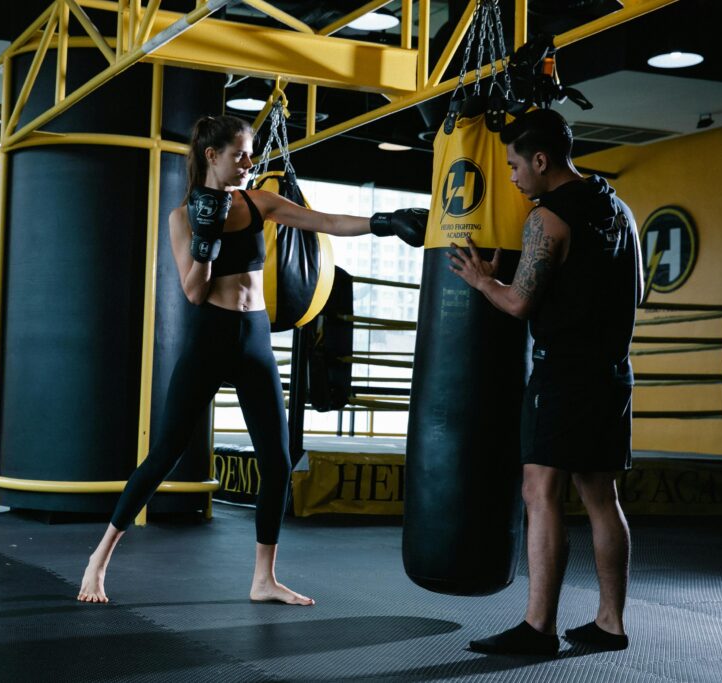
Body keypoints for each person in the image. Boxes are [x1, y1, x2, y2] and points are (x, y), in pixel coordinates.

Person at [78, 114, 427, 605]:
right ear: (212, 156)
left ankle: (264, 578)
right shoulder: (181, 218)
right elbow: (194, 292)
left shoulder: (258, 201)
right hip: (211, 336)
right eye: (240, 154)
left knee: (278, 461)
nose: (249, 161)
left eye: (251, 152)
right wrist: (206, 240)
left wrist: (382, 222)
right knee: (165, 456)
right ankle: (99, 558)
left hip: (254, 337)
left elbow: (323, 222)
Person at [447, 108, 644, 655]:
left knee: (541, 492)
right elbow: (639, 291)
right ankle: (610, 623)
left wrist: (484, 281)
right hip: (613, 372)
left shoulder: (546, 220)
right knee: (602, 498)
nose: (510, 176)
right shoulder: (619, 209)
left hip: (564, 374)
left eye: (514, 165)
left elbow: (517, 303)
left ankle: (538, 628)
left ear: (540, 159)